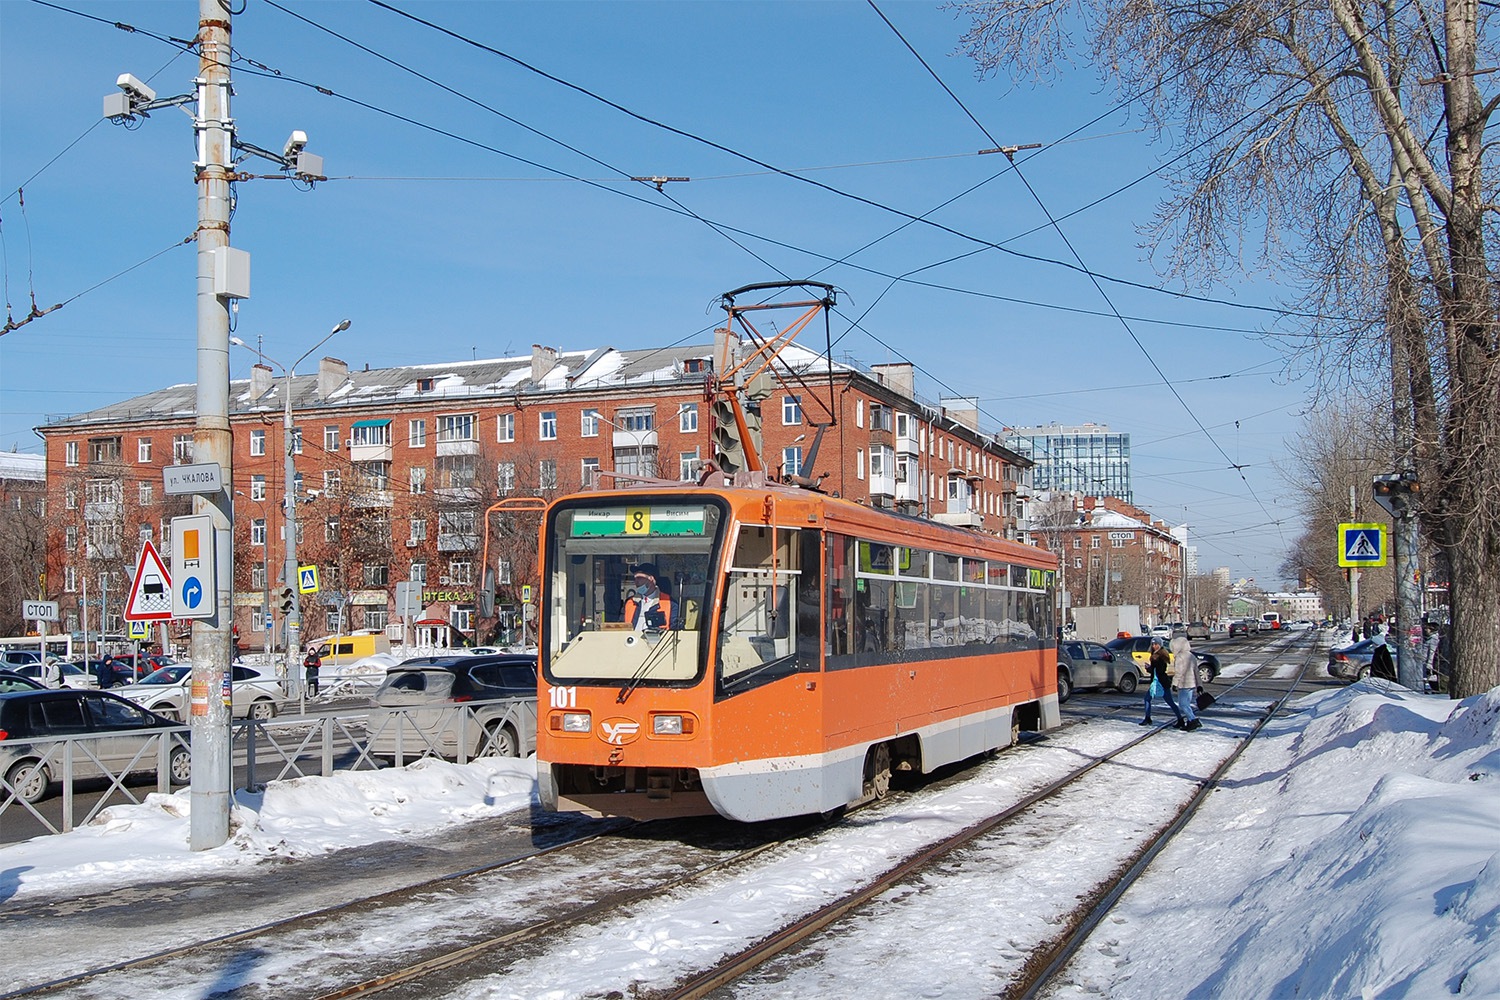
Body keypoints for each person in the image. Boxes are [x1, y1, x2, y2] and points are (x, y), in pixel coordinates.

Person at [1140, 638, 1187, 728]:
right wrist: (1151, 668)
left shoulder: (1159, 656)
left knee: (1168, 701)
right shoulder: (1158, 655)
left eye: (1156, 644)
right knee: (1148, 699)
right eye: (1153, 644)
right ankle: (1148, 718)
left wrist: (1150, 668)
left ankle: (1180, 719)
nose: (1154, 646)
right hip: (1159, 681)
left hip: (1160, 681)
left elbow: (1160, 670)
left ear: (1160, 645)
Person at [623, 563, 672, 630]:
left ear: (651, 579)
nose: (636, 581)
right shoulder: (630, 602)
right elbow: (621, 626)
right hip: (633, 639)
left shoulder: (669, 602)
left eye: (639, 578)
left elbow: (674, 629)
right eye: (635, 578)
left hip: (659, 640)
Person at [1170, 632, 1202, 731]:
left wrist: (1174, 684)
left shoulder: (1179, 657)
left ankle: (1192, 720)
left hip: (1184, 684)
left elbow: (1178, 672)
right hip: (1191, 684)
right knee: (1187, 704)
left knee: (1183, 704)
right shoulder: (1191, 656)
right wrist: (1199, 684)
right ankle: (1190, 721)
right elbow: (1196, 671)